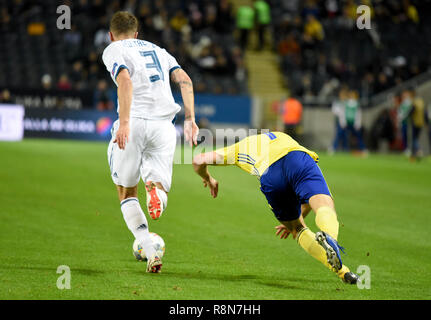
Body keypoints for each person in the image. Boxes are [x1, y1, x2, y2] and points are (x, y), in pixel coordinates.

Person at [192, 131, 359, 284]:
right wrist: (299, 212)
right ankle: (331, 238)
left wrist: (208, 178)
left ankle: (343, 272)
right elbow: (306, 200)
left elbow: (198, 160)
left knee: (297, 229)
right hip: (297, 158)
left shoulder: (238, 148)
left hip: (270, 175)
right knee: (323, 204)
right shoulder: (281, 135)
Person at [102, 11, 199, 273]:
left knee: (127, 194)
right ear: (137, 34)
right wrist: (190, 119)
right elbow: (185, 80)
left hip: (134, 123)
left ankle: (149, 248)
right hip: (165, 127)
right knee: (159, 187)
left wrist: (123, 123)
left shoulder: (113, 49)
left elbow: (124, 81)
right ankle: (155, 192)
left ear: (111, 35)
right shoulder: (160, 50)